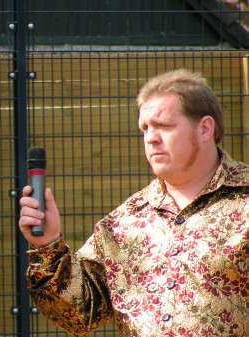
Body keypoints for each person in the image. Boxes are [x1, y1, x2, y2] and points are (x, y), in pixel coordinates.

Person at [19, 69, 249, 337]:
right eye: (145, 128)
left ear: (205, 128)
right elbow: (79, 313)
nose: (151, 137)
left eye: (163, 126)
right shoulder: (124, 222)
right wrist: (48, 247)